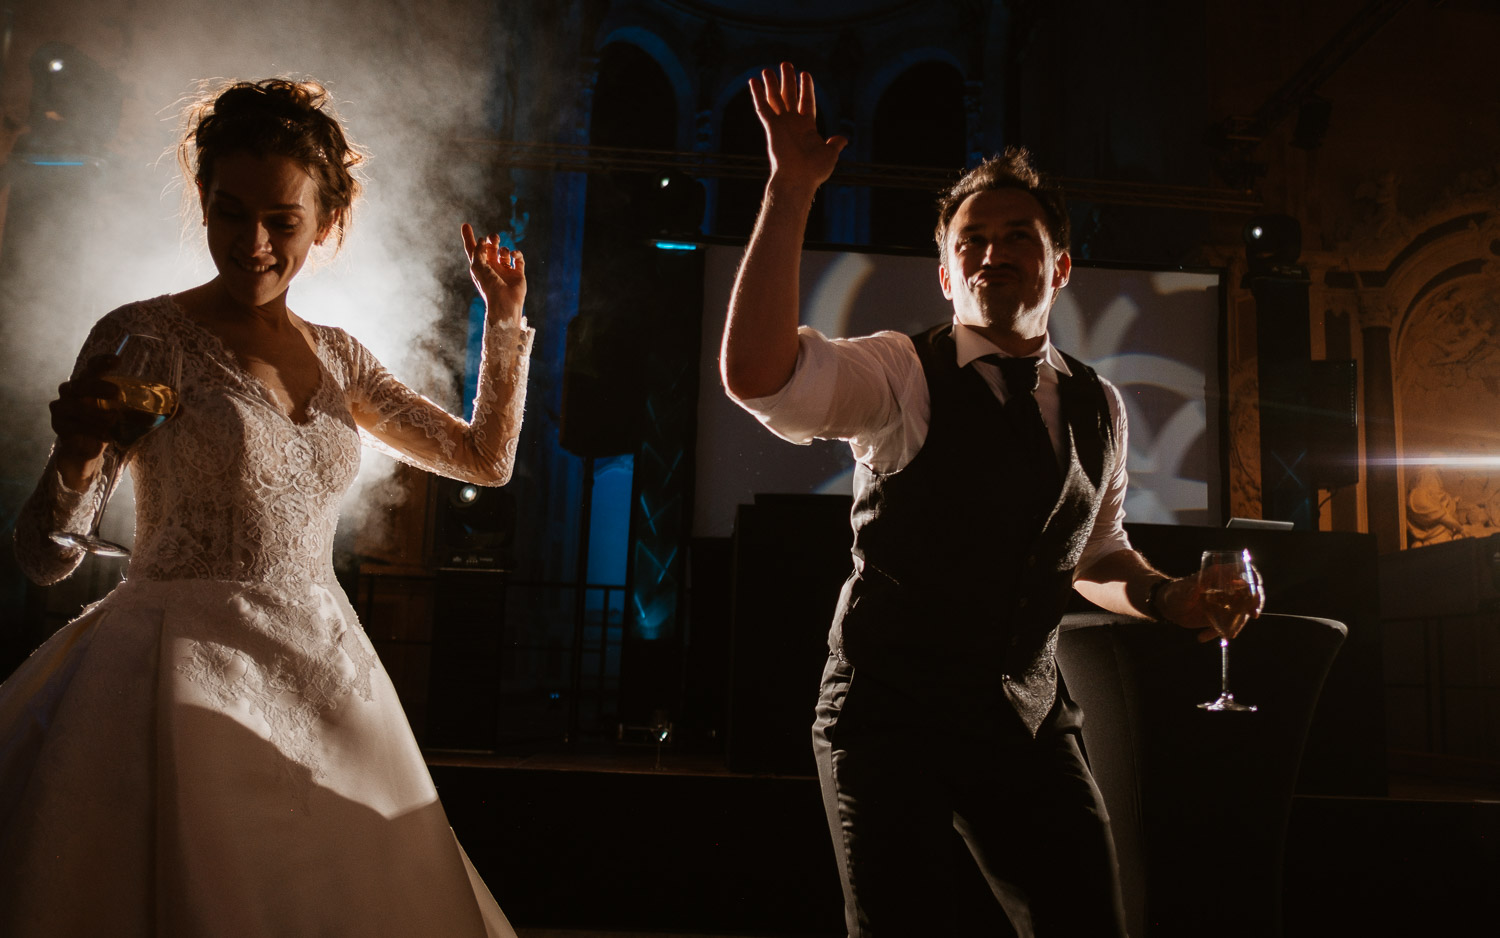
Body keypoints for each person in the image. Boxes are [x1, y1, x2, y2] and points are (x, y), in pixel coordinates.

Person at [720, 63, 1262, 937]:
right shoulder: (900, 372)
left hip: (1027, 716)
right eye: (971, 240)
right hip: (885, 719)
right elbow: (755, 373)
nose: (992, 252)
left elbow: (1093, 553)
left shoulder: (1098, 403)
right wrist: (789, 190)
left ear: (1061, 265)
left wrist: (1167, 596)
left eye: (1018, 236)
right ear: (944, 272)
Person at [1, 79, 529, 937]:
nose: (252, 242)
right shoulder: (142, 336)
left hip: (322, 668)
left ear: (327, 224)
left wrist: (504, 326)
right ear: (203, 205)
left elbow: (483, 460)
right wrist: (77, 454)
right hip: (167, 673)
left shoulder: (341, 358)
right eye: (228, 212)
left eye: (281, 221)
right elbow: (47, 554)